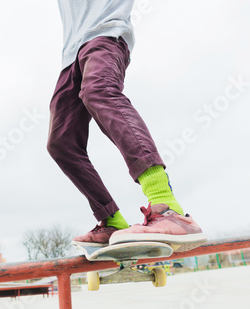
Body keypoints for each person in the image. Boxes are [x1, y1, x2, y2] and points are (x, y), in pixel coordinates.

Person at [47, 0, 206, 251]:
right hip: (70, 54)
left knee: (98, 92)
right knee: (61, 143)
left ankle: (166, 206)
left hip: (106, 34)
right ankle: (112, 221)